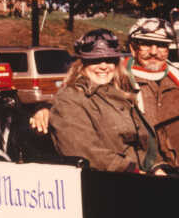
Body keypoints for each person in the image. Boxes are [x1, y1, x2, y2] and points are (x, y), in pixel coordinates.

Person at [49, 28, 166, 174]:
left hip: (138, 175)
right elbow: (83, 149)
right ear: (82, 64)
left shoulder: (121, 94)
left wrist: (155, 166)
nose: (103, 66)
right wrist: (131, 170)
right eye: (95, 60)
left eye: (110, 60)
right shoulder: (70, 98)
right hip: (105, 181)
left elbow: (142, 142)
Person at [126, 18, 179, 167]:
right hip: (148, 172)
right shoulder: (121, 84)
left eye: (162, 45)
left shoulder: (175, 79)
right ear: (132, 48)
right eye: (146, 44)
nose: (154, 52)